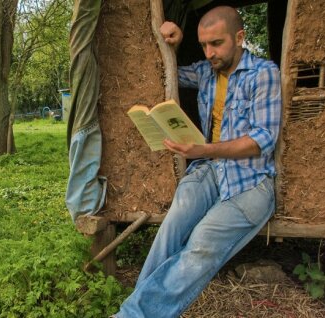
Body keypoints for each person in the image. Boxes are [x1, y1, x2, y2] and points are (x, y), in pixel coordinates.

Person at [114, 6, 281, 318]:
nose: (209, 53)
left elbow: (261, 140)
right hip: (209, 171)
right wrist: (169, 44)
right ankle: (139, 309)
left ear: (240, 37)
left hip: (250, 182)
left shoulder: (264, 74)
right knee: (171, 228)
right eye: (204, 45)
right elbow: (164, 70)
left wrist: (203, 150)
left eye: (216, 43)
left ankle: (132, 315)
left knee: (201, 244)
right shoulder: (207, 71)